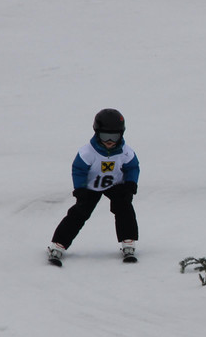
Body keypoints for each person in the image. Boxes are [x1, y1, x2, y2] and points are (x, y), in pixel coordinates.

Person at [48, 108, 139, 265]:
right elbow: (79, 170)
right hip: (91, 187)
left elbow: (132, 167)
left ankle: (128, 242)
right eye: (105, 136)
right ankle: (58, 244)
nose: (109, 141)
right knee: (79, 213)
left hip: (115, 184)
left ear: (121, 134)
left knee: (124, 207)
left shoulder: (125, 152)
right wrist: (80, 189)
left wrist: (130, 184)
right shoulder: (87, 152)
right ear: (97, 133)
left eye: (114, 136)